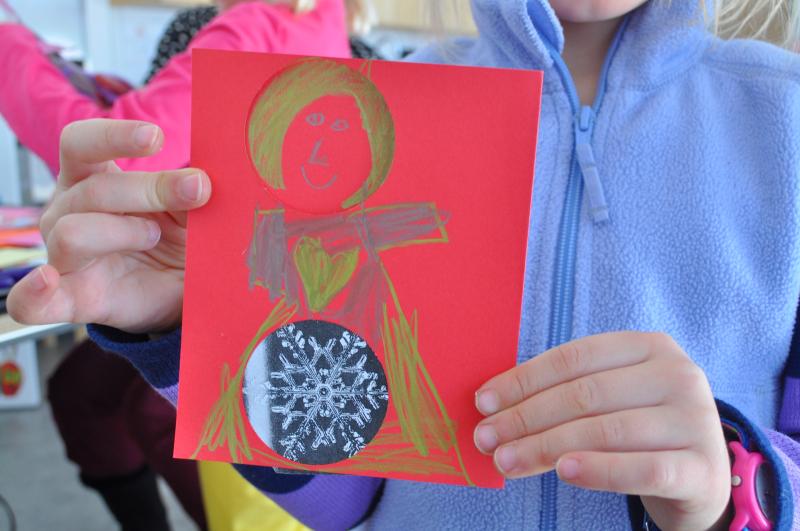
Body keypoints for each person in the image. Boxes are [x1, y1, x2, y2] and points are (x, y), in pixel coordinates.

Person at [8, 0, 800, 529]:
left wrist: (738, 485)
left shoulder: (785, 122)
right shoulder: (387, 100)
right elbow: (347, 494)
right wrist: (191, 327)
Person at [0, 1, 356, 529]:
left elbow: (137, 152)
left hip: (231, 282)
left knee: (153, 413)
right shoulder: (320, 18)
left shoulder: (258, 22)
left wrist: (8, 47)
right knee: (87, 393)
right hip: (279, 281)